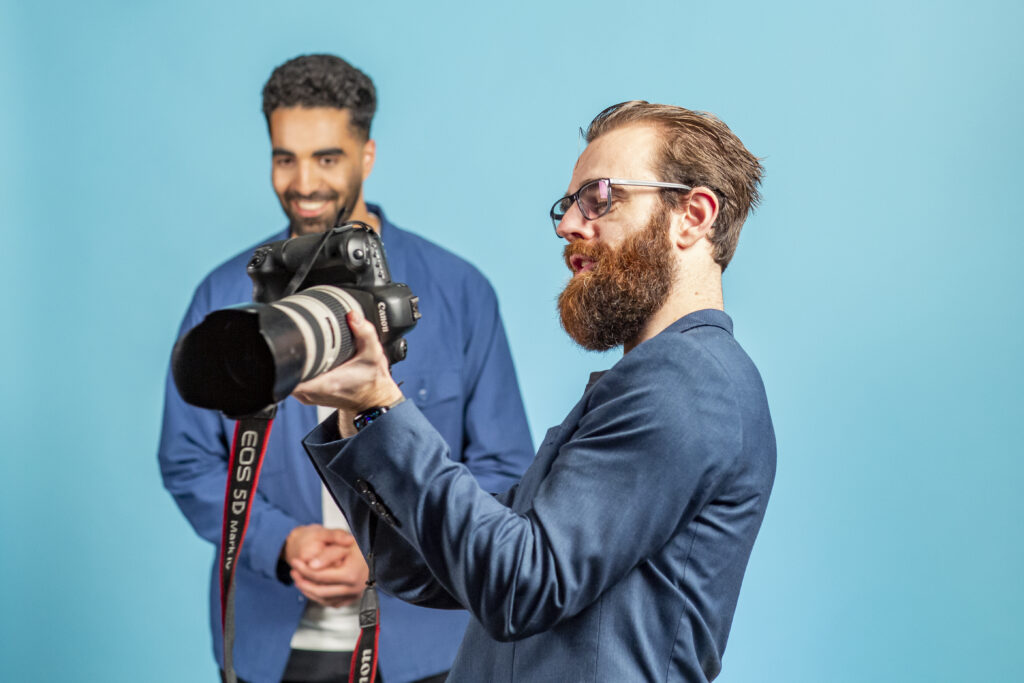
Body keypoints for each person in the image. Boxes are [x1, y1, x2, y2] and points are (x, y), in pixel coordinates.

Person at [296, 101, 777, 682]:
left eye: (600, 197)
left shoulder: (688, 382)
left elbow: (520, 585)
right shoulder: (648, 382)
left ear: (693, 216)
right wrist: (358, 414)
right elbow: (436, 570)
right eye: (568, 204)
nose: (568, 224)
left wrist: (382, 403)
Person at [158, 54, 534, 683]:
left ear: (367, 154)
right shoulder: (224, 295)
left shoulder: (459, 291)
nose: (303, 182)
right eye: (285, 158)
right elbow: (189, 460)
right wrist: (281, 543)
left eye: (327, 157)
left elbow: (504, 468)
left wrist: (393, 554)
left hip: (426, 645)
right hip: (269, 641)